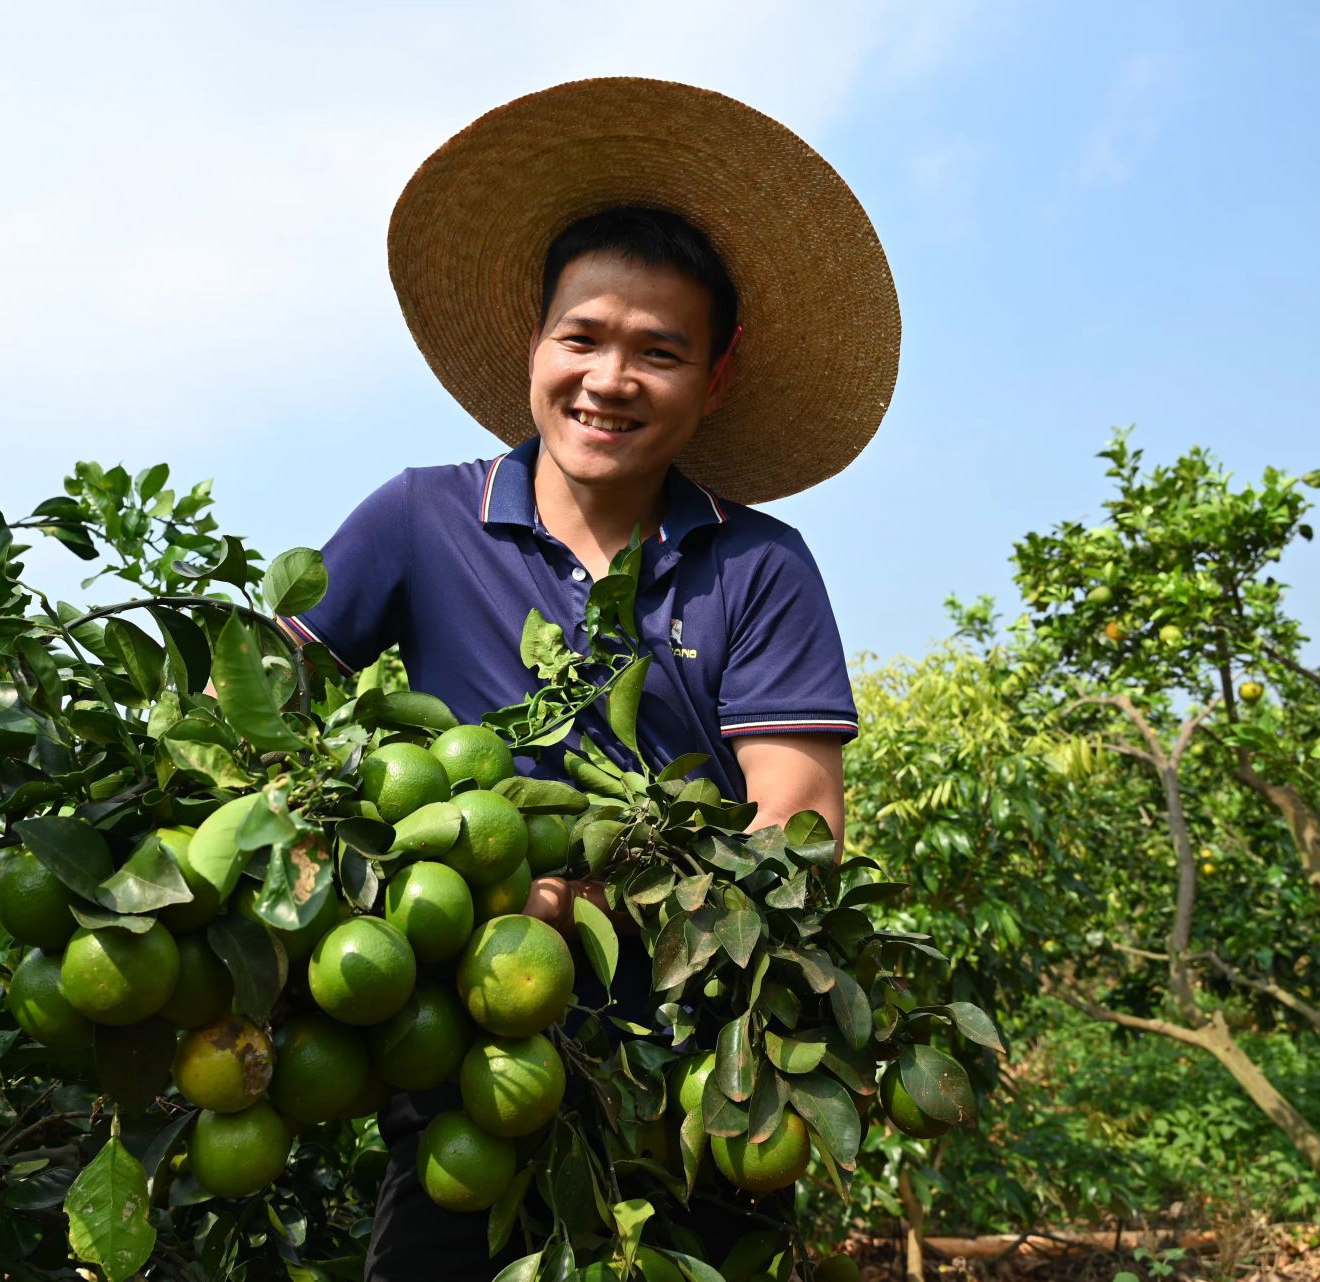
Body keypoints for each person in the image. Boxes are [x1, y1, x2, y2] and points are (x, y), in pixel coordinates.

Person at [274, 77, 901, 1281]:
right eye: (584, 338)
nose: (610, 379)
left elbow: (800, 822)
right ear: (534, 346)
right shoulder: (418, 519)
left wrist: (603, 909)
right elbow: (254, 715)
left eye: (658, 353)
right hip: (472, 1069)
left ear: (712, 380)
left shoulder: (757, 563)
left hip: (702, 1085)